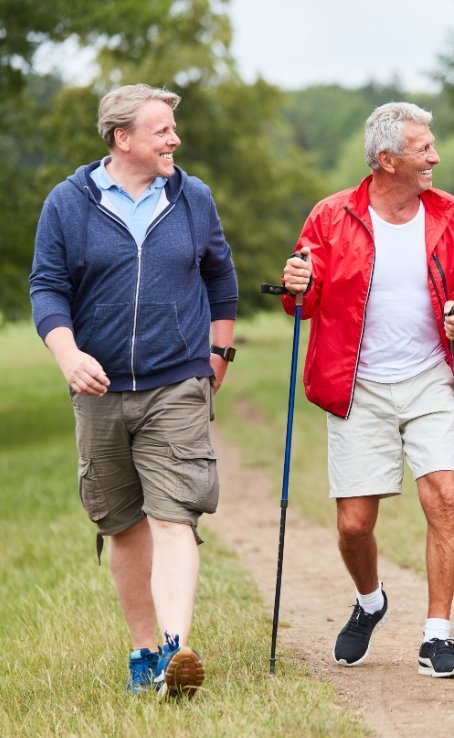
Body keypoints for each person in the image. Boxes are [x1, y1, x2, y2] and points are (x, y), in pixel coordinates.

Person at [28, 84, 238, 697]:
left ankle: (176, 650)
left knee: (175, 516)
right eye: (162, 130)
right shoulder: (68, 203)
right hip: (99, 390)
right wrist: (69, 356)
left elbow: (220, 277)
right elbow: (47, 287)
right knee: (122, 524)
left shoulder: (192, 198)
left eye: (173, 129)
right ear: (122, 138)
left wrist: (218, 354)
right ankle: (144, 653)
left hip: (176, 382)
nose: (175, 139)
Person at [279, 102, 454, 678]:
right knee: (354, 525)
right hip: (357, 384)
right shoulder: (330, 216)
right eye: (424, 148)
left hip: (430, 376)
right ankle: (370, 601)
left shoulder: (449, 213)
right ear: (387, 160)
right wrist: (296, 284)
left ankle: (437, 636)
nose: (435, 156)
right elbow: (302, 302)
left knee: (445, 496)